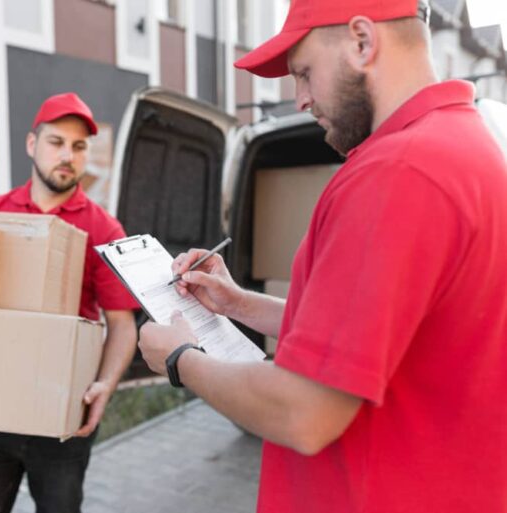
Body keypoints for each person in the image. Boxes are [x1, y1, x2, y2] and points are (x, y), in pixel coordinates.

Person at [138, 0, 507, 512]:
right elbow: (366, 338)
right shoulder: (460, 145)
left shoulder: (398, 171)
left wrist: (181, 359)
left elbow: (304, 412)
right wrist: (238, 303)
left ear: (362, 41)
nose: (301, 100)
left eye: (304, 73)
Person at [0, 92, 138, 513]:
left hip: (62, 412)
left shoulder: (104, 230)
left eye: (79, 146)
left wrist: (105, 386)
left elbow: (122, 324)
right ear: (31, 144)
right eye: (56, 142)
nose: (68, 156)